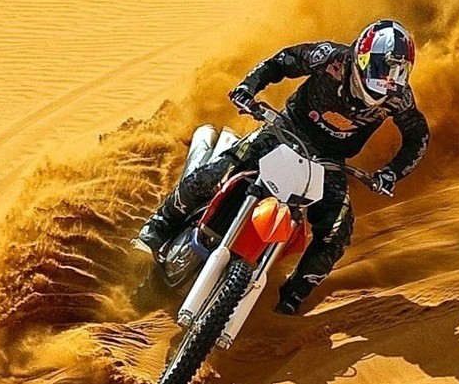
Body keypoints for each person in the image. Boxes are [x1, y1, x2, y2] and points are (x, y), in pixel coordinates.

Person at [134, 20, 430, 315]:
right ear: (363, 57)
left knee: (337, 232)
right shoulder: (330, 58)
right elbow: (283, 61)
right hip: (283, 131)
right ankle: (159, 224)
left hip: (329, 164)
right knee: (221, 172)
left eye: (398, 71)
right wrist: (248, 88)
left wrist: (392, 172)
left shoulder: (398, 98)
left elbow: (418, 134)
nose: (389, 79)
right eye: (384, 68)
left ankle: (292, 296)